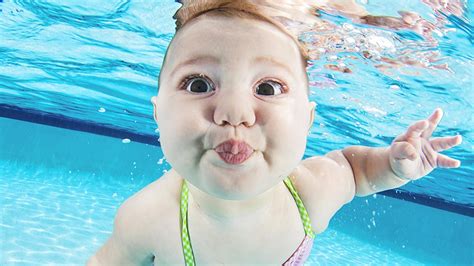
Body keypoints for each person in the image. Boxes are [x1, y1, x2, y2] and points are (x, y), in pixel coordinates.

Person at [87, 1, 463, 265]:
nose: (234, 113)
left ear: (307, 120)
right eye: (199, 84)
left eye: (267, 88)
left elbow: (356, 171)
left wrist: (395, 167)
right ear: (157, 113)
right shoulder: (147, 218)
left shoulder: (309, 193)